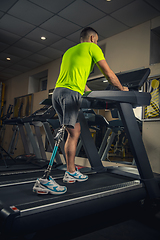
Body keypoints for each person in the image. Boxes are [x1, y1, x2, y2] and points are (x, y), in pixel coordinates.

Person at [33, 27, 129, 195]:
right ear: (92, 38)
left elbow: (80, 79)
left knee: (74, 131)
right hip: (70, 93)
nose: (97, 43)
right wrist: (122, 88)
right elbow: (108, 73)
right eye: (97, 40)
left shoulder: (69, 51)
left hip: (58, 92)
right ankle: (45, 178)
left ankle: (70, 172)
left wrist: (90, 93)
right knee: (65, 131)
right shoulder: (93, 47)